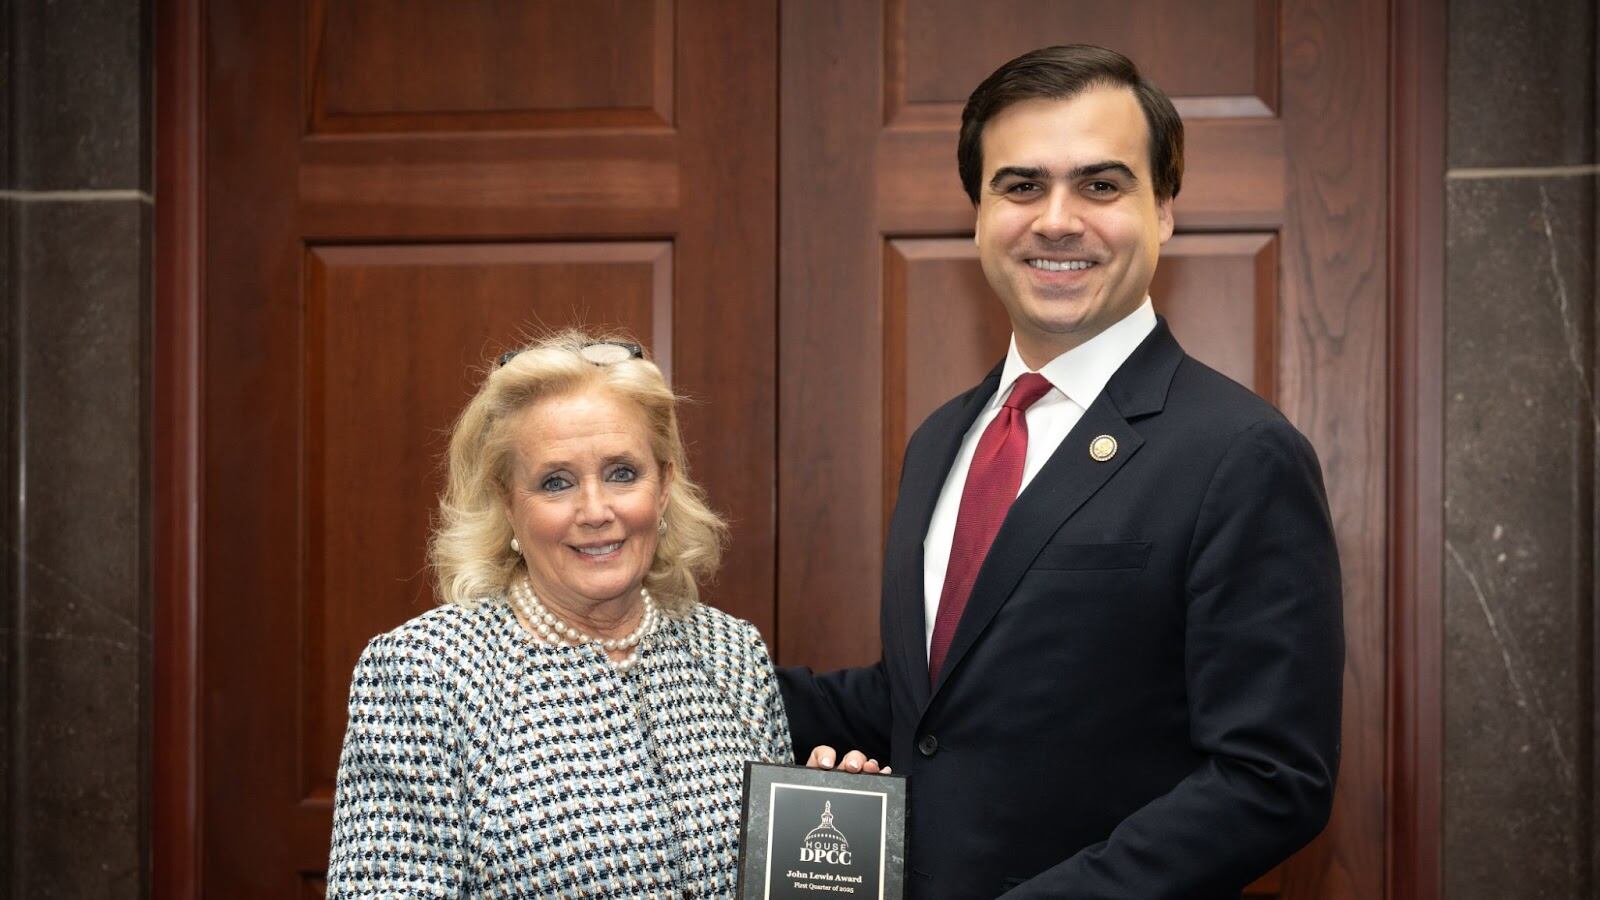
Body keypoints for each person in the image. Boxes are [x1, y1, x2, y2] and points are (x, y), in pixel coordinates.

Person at [778, 44, 1343, 898]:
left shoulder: (1240, 453)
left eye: (1102, 185)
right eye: (1021, 185)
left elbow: (1269, 779)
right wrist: (662, 653)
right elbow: (925, 706)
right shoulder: (942, 440)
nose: (1056, 219)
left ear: (1165, 213)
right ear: (978, 215)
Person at [326, 330, 791, 897]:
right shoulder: (425, 672)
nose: (596, 511)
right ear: (506, 503)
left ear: (664, 485)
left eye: (623, 472)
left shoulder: (732, 655)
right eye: (556, 482)